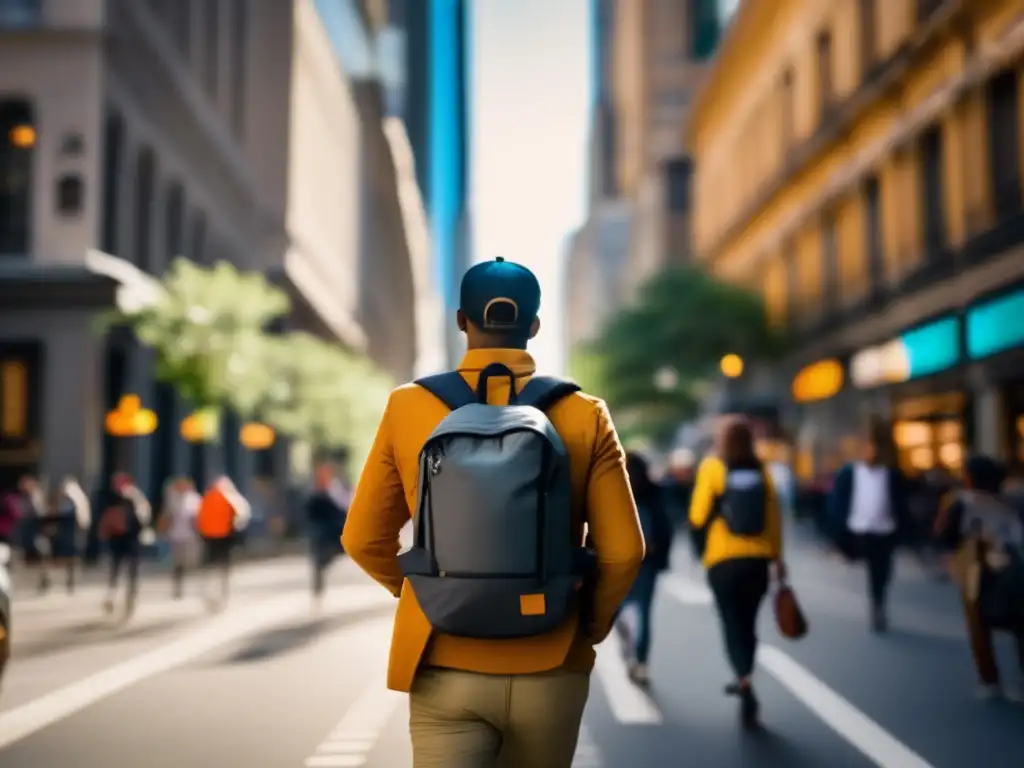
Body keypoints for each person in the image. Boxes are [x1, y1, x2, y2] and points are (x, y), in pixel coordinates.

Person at [342, 257, 644, 768]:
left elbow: (362, 539)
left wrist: (428, 591)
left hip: (443, 657)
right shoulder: (584, 413)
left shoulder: (408, 407)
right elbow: (624, 552)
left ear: (462, 320)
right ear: (534, 325)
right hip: (550, 659)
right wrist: (582, 624)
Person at [689, 419, 785, 728]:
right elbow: (773, 518)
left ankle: (743, 678)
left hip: (723, 560)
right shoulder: (762, 470)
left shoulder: (713, 467)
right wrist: (777, 558)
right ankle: (746, 673)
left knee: (731, 622)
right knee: (749, 623)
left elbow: (697, 514)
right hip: (757, 561)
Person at [934, 455, 1024, 701]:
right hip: (1015, 570)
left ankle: (990, 680)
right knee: (1020, 624)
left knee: (978, 627)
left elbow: (944, 533)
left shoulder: (961, 501)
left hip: (977, 571)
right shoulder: (1014, 500)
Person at [826, 428, 910, 633]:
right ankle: (877, 602)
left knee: (882, 571)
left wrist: (904, 530)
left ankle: (878, 603)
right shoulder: (849, 473)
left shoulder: (891, 474)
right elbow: (837, 503)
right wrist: (836, 534)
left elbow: (901, 504)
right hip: (859, 529)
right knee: (872, 569)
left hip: (884, 529)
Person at [615, 451, 674, 686]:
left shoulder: (612, 492)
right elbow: (665, 528)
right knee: (645, 612)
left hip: (618, 564)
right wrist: (662, 557)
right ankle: (641, 662)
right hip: (647, 562)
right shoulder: (654, 494)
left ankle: (629, 644)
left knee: (616, 610)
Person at [97, 472, 152, 617]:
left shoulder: (111, 496)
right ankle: (125, 597)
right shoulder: (134, 496)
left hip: (121, 538)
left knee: (119, 569)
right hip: (126, 539)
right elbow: (144, 518)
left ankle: (118, 596)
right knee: (127, 569)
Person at [196, 475, 251, 611]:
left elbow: (199, 517)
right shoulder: (230, 497)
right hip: (224, 537)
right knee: (223, 567)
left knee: (210, 567)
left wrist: (202, 532)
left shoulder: (207, 497)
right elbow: (241, 516)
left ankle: (210, 594)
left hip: (209, 537)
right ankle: (221, 594)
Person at [305, 463, 347, 607]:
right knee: (318, 564)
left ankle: (320, 587)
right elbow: (309, 512)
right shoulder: (314, 492)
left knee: (324, 560)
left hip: (333, 532)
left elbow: (343, 510)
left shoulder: (335, 491)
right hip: (320, 533)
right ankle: (318, 592)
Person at [161, 477, 201, 599]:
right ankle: (178, 586)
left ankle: (188, 582)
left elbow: (199, 517)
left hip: (190, 536)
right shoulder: (172, 499)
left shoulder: (194, 499)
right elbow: (167, 516)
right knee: (177, 562)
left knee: (189, 561)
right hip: (175, 536)